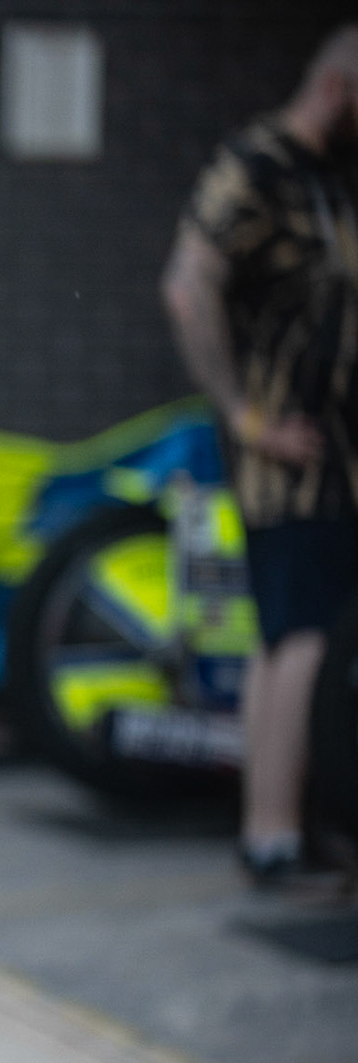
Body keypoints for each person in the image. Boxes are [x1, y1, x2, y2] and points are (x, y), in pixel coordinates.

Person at [162, 24, 358, 885]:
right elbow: (186, 283)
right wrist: (246, 415)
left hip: (332, 454)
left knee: (306, 632)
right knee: (298, 636)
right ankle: (272, 838)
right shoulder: (260, 163)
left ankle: (289, 830)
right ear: (340, 89)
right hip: (290, 455)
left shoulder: (319, 174)